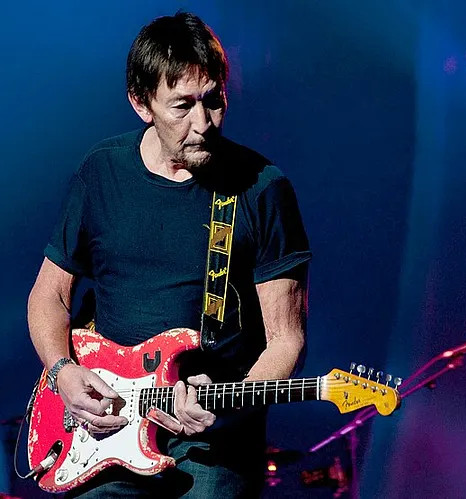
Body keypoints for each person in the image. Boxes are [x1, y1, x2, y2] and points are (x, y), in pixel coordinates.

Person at [27, 12, 311, 498]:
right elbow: (48, 295)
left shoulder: (261, 189)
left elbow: (287, 340)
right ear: (141, 103)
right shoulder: (102, 173)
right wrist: (62, 372)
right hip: (106, 430)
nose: (202, 123)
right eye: (182, 106)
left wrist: (226, 403)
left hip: (211, 442)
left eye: (213, 101)